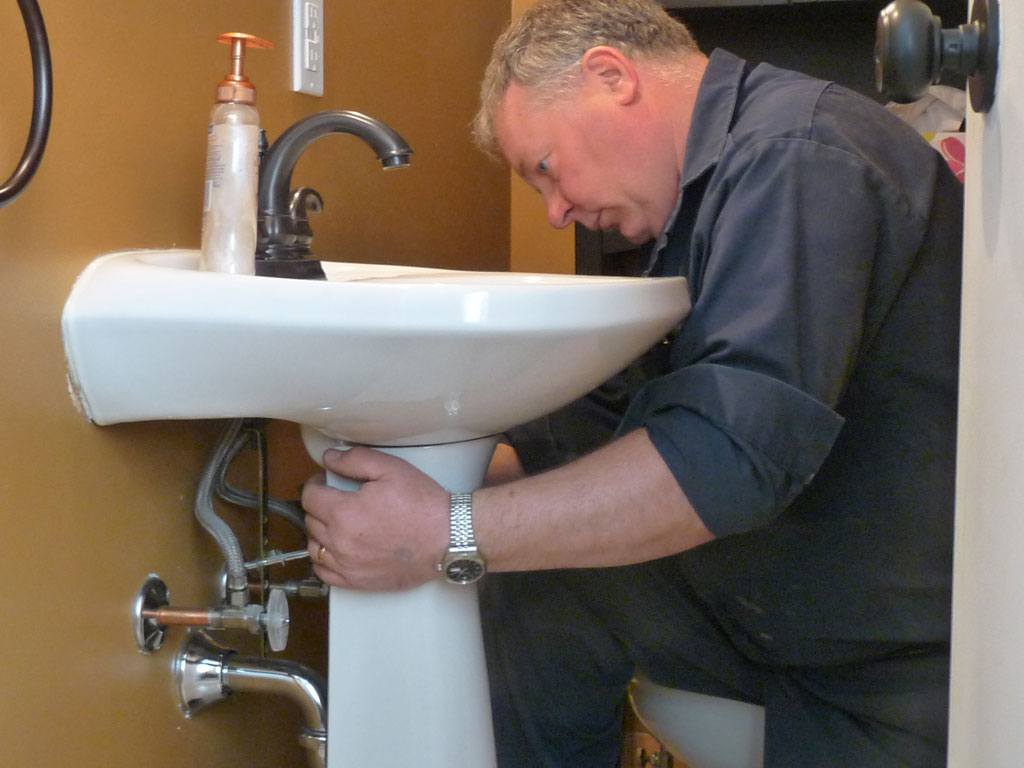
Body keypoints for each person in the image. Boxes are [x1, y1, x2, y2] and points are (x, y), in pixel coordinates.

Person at [301, 0, 963, 765]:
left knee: (485, 555)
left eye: (545, 169)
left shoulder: (797, 158)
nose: (555, 213)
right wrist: (424, 491)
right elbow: (616, 424)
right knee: (537, 591)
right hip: (777, 605)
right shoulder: (707, 192)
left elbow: (723, 464)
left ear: (611, 76)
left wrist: (441, 532)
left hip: (890, 661)